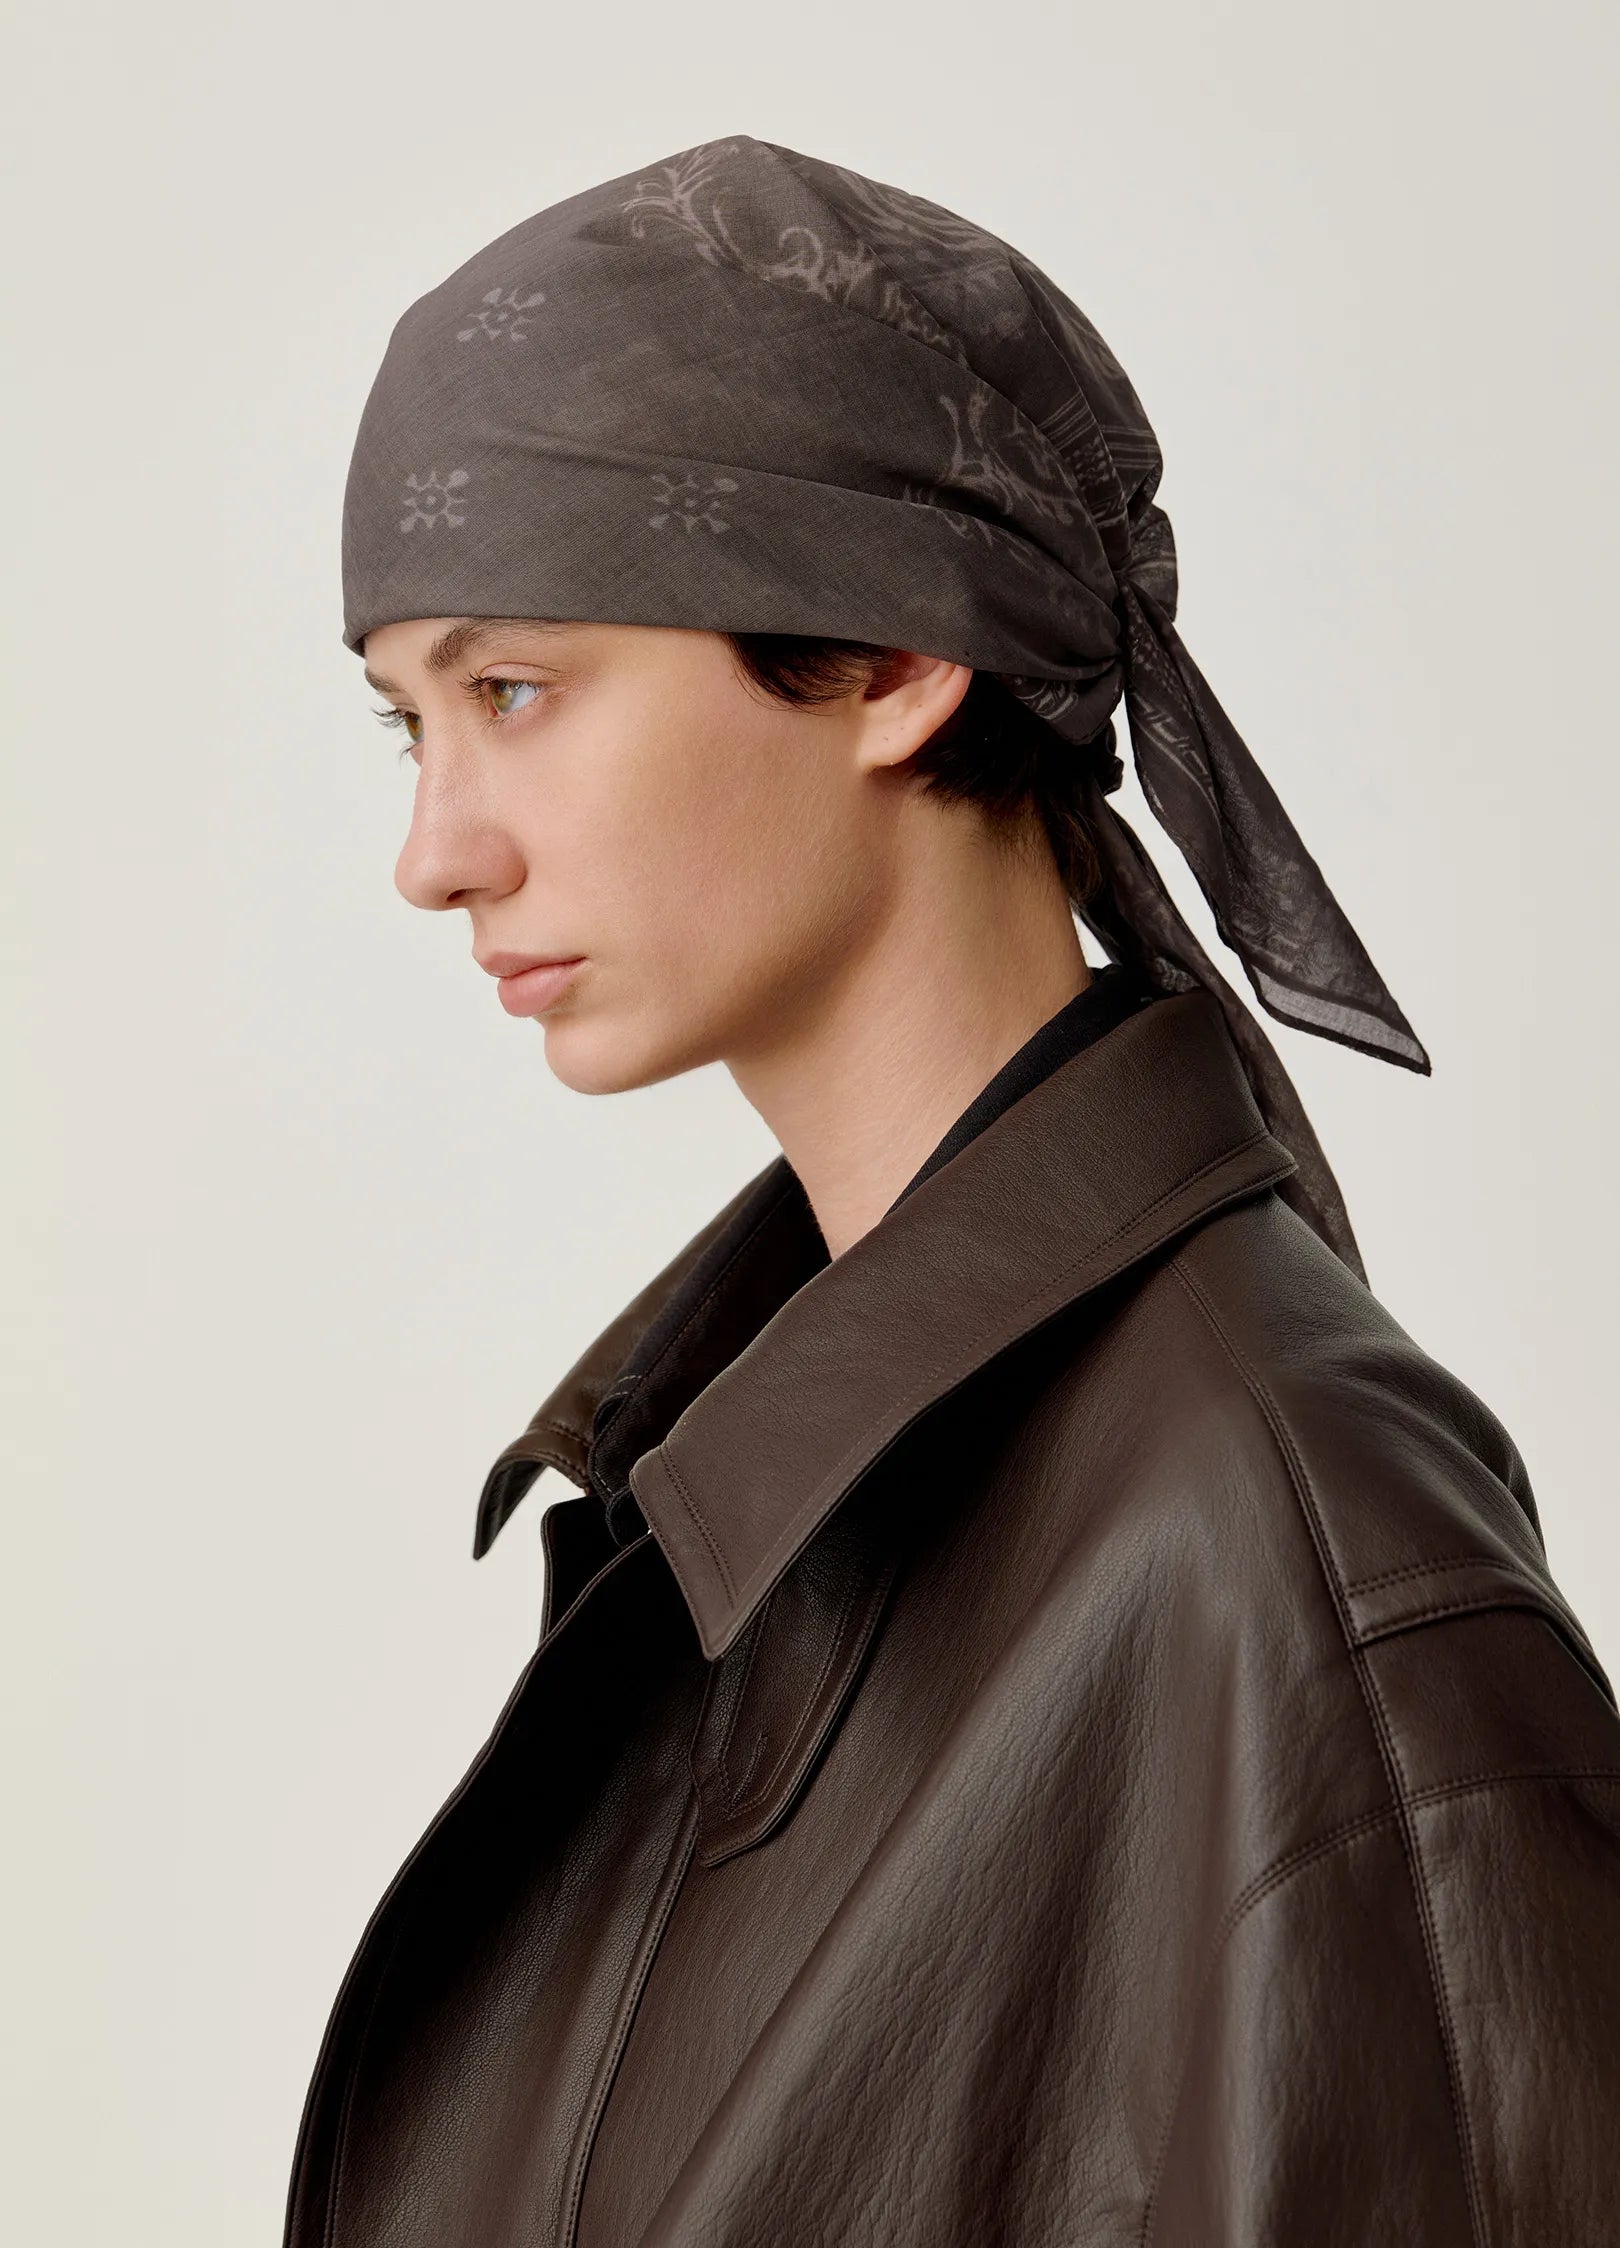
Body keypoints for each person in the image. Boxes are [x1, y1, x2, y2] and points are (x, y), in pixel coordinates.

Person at [284, 136, 1620, 2247]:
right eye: (409, 726)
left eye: (514, 690)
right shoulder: (740, 1492)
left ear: (897, 658)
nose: (435, 850)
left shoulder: (1289, 1544)